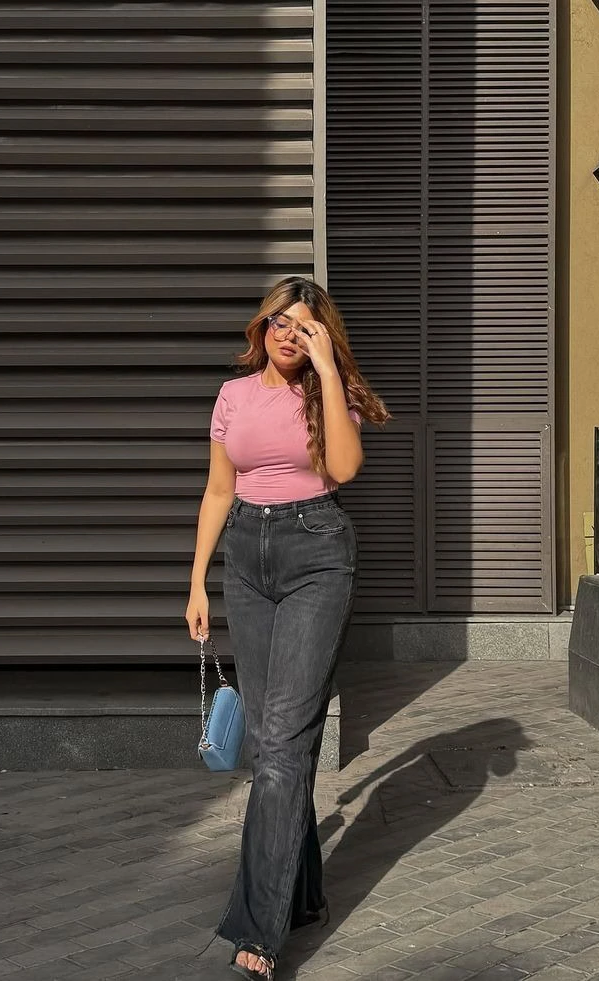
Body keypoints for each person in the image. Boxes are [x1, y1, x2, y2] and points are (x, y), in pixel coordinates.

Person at [186, 276, 391, 979]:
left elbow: (345, 468)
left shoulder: (328, 393)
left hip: (317, 556)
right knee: (274, 742)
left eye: (303, 326)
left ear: (320, 336)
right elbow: (219, 488)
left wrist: (329, 370)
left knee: (280, 743)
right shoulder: (233, 395)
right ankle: (301, 896)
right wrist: (196, 581)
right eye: (279, 321)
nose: (287, 334)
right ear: (262, 326)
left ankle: (257, 932)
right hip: (245, 559)